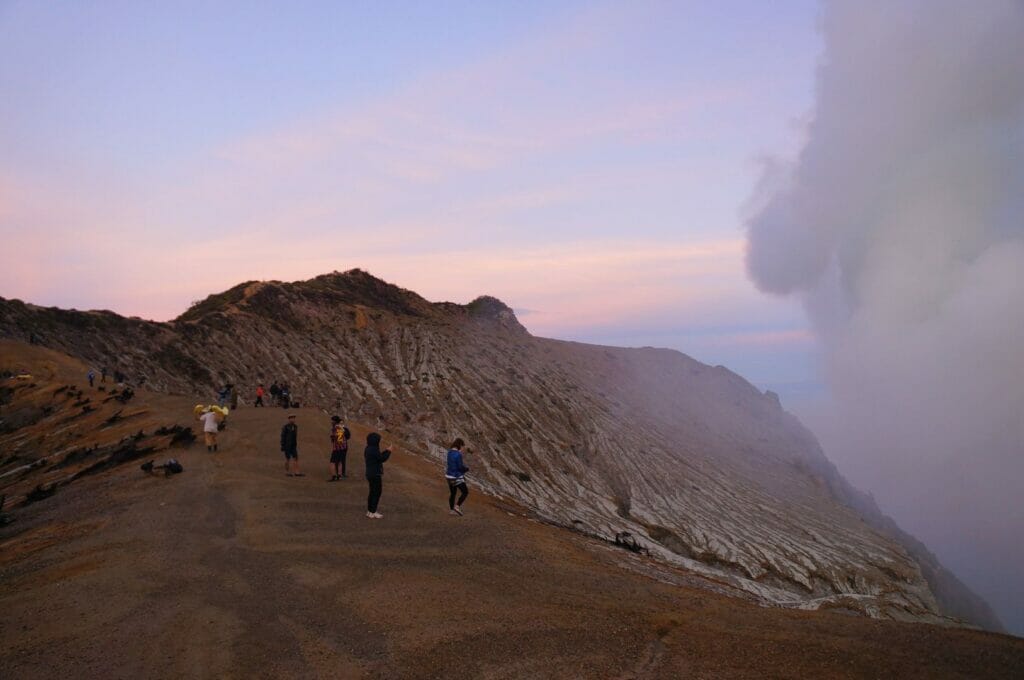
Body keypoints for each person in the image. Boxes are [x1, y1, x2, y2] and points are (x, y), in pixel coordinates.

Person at [364, 432, 392, 518]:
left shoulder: (368, 448)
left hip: (370, 473)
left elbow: (378, 457)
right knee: (377, 492)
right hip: (375, 474)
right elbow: (382, 458)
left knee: (372, 492)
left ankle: (369, 511)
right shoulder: (374, 449)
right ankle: (373, 512)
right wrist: (389, 451)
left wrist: (386, 450)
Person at [445, 438, 470, 516]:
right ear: (459, 445)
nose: (462, 448)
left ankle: (451, 510)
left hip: (448, 476)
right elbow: (460, 467)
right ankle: (457, 506)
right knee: (465, 492)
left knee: (453, 493)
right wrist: (466, 469)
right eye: (462, 446)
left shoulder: (449, 452)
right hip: (455, 477)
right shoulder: (458, 454)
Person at [329, 416, 351, 481]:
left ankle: (334, 476)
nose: (331, 422)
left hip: (338, 448)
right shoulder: (341, 427)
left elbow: (339, 439)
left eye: (332, 420)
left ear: (335, 421)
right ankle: (339, 475)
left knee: (332, 462)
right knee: (340, 462)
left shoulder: (337, 428)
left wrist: (333, 437)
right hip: (343, 447)